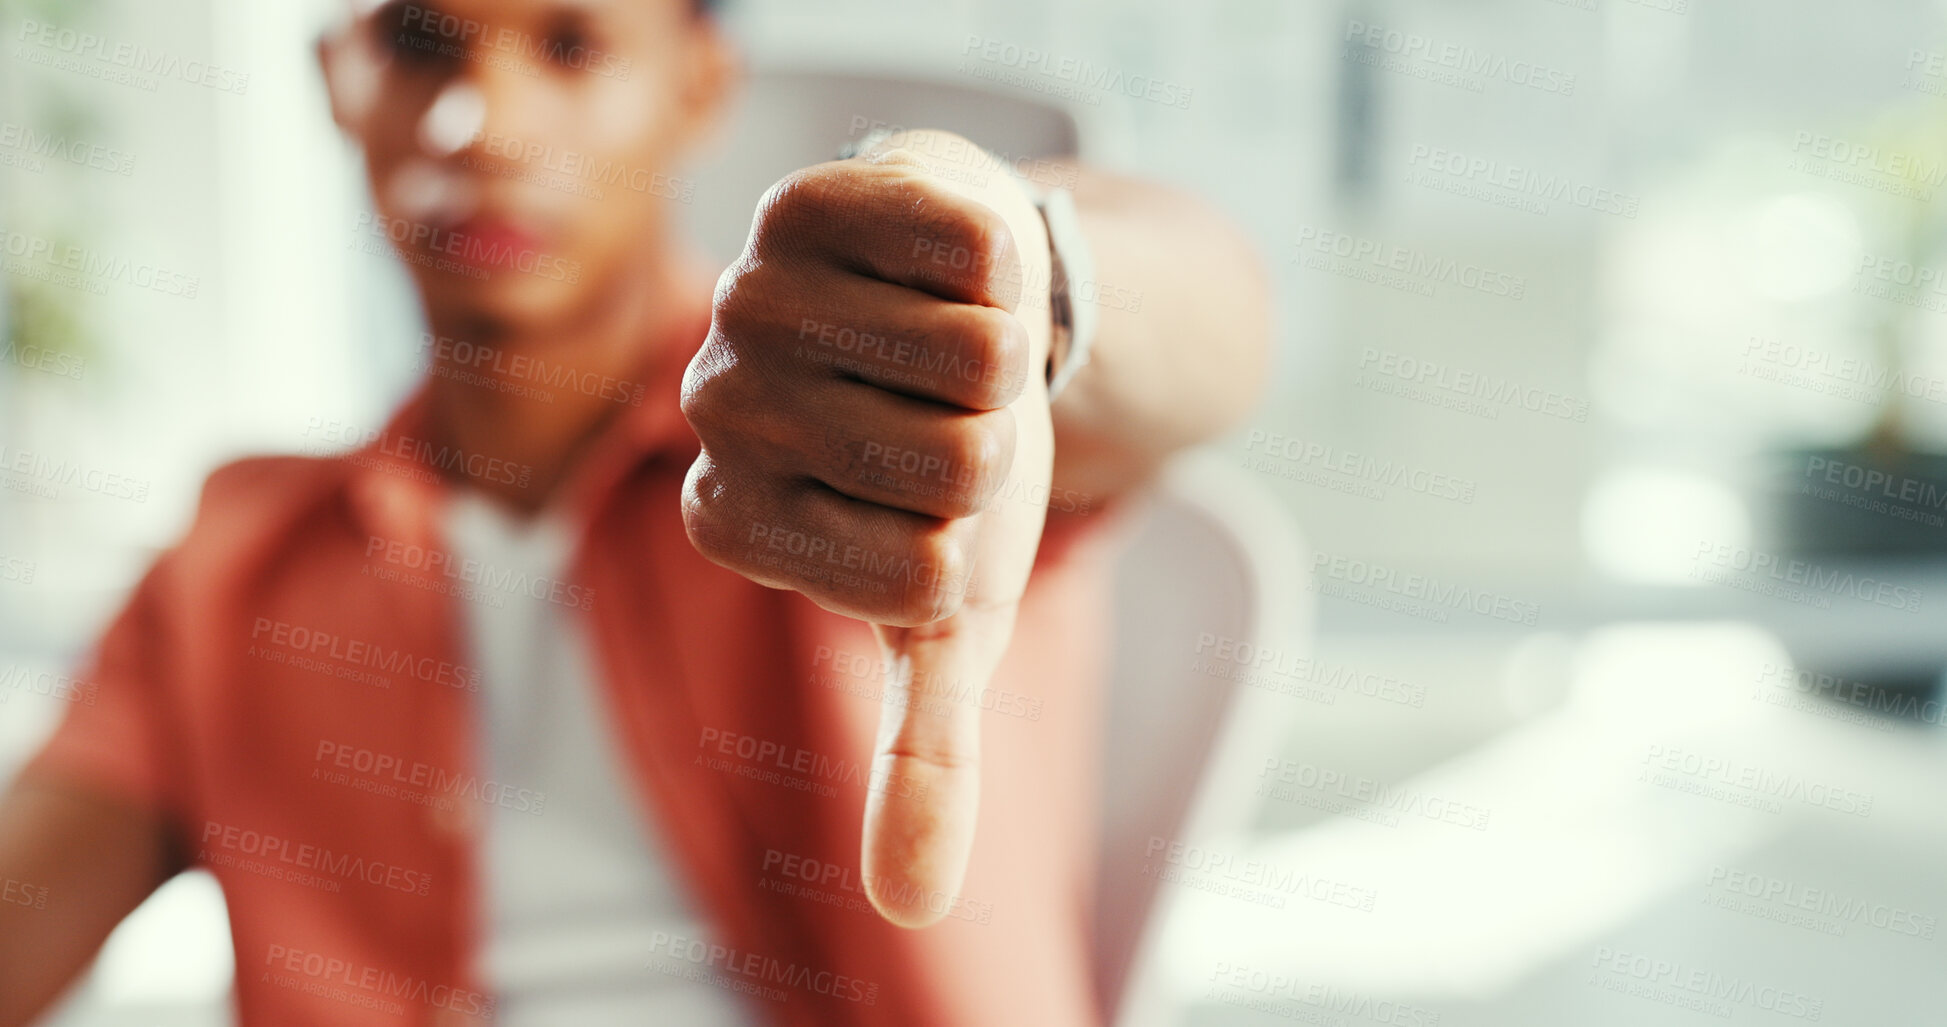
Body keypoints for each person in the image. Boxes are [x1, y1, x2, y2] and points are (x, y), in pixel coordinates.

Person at [0, 0, 1270, 1023]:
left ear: (697, 86)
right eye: (417, 40)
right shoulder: (234, 562)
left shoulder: (865, 445)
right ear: (336, 77)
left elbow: (1214, 322)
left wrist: (1032, 280)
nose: (477, 124)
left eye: (570, 43)